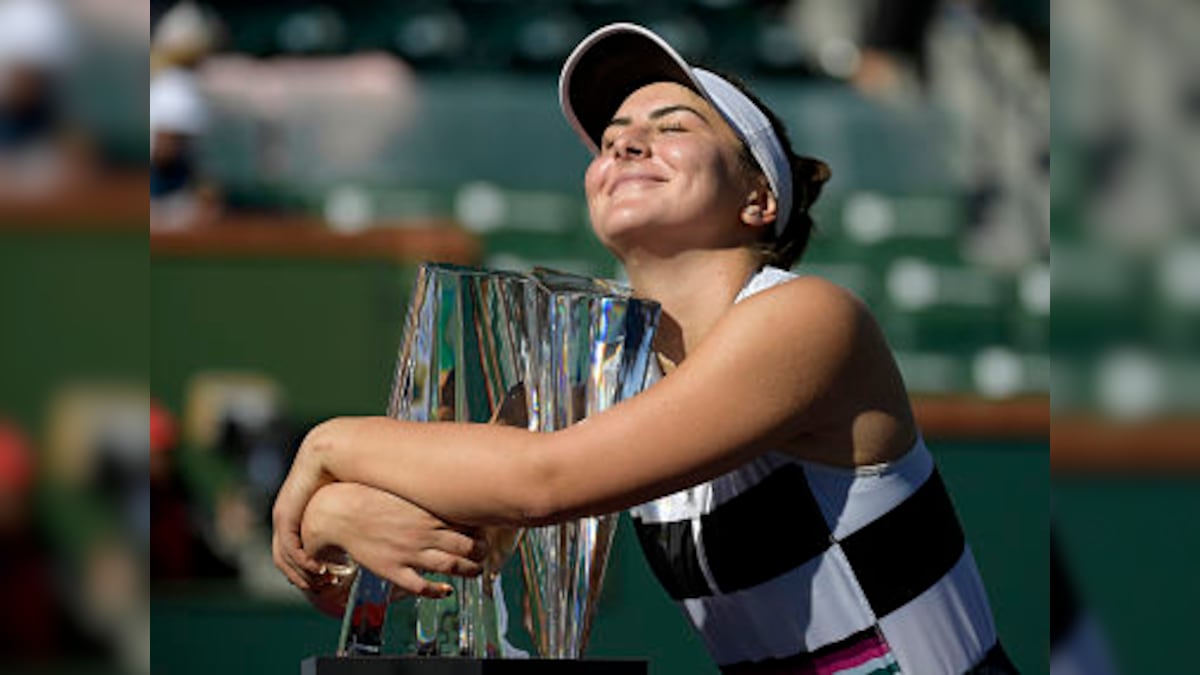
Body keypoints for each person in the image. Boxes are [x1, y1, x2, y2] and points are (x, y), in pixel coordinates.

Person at [273, 22, 1015, 674]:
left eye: (674, 126)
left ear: (758, 198)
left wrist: (326, 443)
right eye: (611, 137)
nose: (627, 139)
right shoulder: (600, 367)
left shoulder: (809, 317)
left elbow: (541, 481)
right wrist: (336, 513)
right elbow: (465, 526)